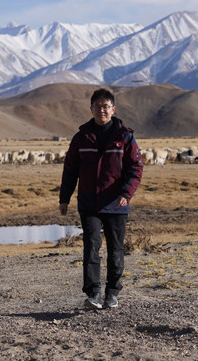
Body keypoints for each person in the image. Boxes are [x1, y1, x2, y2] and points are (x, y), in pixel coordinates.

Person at [58, 88, 143, 309]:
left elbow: (135, 167)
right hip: (89, 202)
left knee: (116, 249)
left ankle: (112, 293)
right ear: (91, 109)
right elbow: (70, 169)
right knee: (91, 247)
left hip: (116, 203)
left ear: (113, 109)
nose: (102, 110)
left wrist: (126, 193)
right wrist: (64, 198)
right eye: (97, 106)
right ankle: (93, 294)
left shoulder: (125, 136)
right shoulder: (81, 137)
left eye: (106, 106)